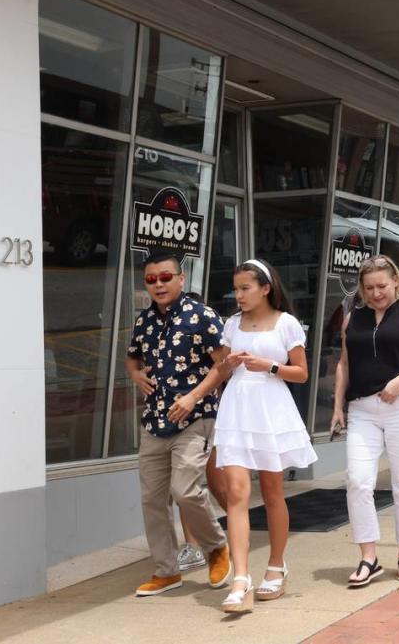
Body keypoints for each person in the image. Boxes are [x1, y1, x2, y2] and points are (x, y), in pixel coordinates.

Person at [178, 259, 319, 613]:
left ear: (265, 288)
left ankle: (276, 565)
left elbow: (301, 373)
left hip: (271, 408)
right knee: (237, 492)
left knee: (272, 491)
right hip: (237, 408)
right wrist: (198, 392)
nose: (238, 295)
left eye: (245, 288)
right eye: (236, 288)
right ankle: (241, 578)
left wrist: (268, 365)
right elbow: (220, 369)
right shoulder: (231, 325)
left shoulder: (286, 324)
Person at [330, 255, 399, 587]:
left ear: (395, 281)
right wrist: (338, 406)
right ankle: (368, 557)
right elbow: (344, 365)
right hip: (363, 409)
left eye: (382, 286)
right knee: (359, 481)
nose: (376, 293)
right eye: (369, 288)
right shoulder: (353, 318)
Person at [126, 252, 230, 597]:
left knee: (185, 490)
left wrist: (193, 397)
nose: (159, 284)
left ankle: (216, 547)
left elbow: (223, 365)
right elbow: (131, 357)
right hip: (153, 421)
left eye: (165, 277)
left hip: (194, 419)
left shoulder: (203, 317)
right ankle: (166, 571)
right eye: (151, 279)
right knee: (152, 500)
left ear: (181, 280)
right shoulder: (144, 321)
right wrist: (136, 374)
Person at [176, 291, 227, 573]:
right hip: (179, 422)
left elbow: (224, 371)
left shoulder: (211, 335)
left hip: (210, 418)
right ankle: (192, 546)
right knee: (185, 483)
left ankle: (237, 526)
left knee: (218, 486)